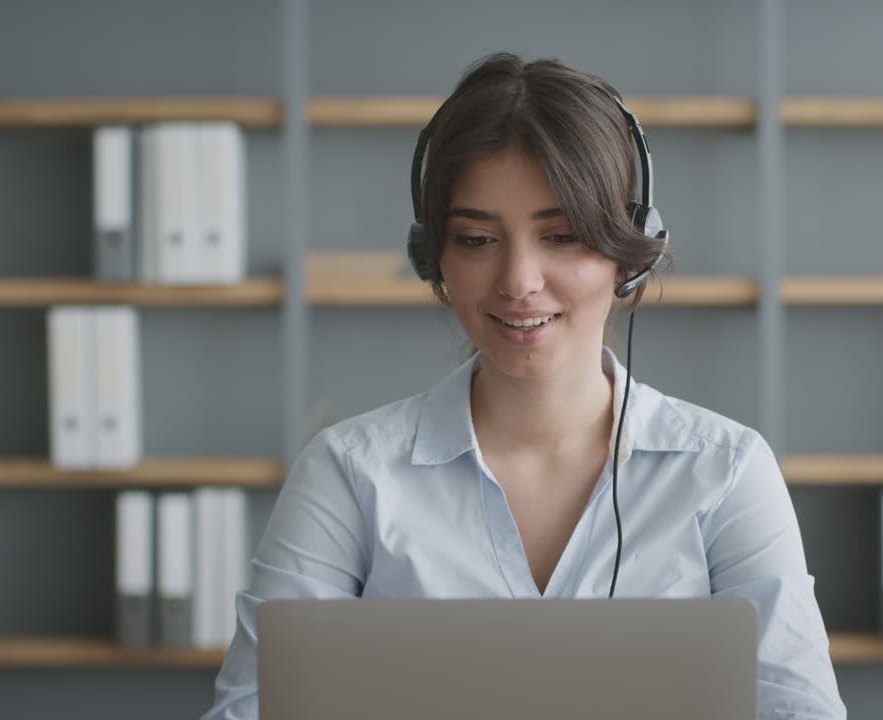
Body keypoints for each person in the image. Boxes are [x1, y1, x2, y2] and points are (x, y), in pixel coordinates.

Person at [201, 52, 846, 719]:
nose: (518, 281)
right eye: (478, 239)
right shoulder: (347, 476)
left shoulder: (726, 472)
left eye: (562, 235)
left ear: (628, 250)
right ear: (437, 258)